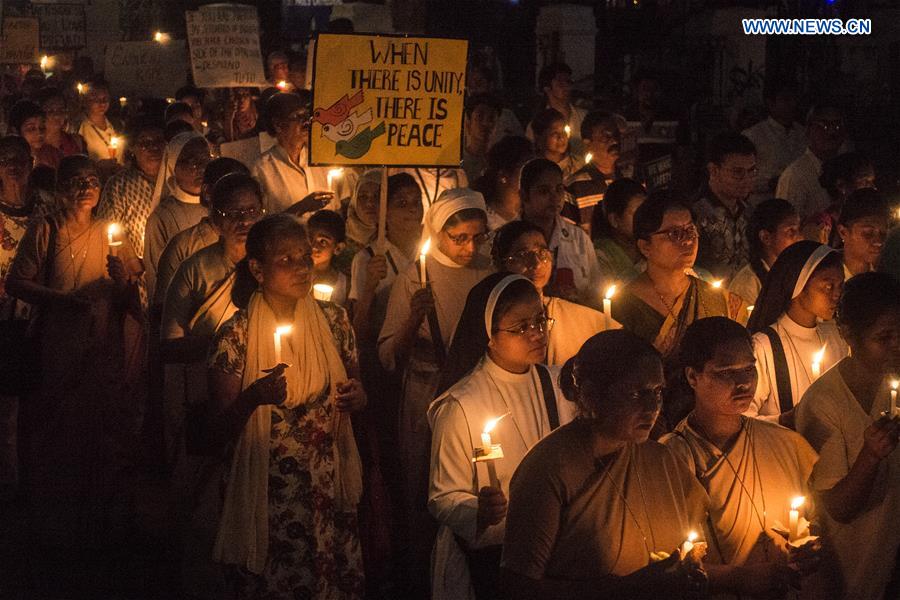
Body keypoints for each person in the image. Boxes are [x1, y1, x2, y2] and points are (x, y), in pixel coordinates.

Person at [207, 213, 366, 599]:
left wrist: (358, 398)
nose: (302, 269)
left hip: (327, 485)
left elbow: (356, 388)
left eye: (305, 257)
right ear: (258, 270)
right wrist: (254, 397)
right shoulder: (236, 336)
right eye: (286, 260)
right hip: (269, 493)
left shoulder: (335, 321)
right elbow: (220, 429)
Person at [5, 155, 145, 591]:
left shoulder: (110, 232)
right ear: (61, 187)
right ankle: (56, 531)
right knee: (59, 436)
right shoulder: (47, 227)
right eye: (77, 181)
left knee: (100, 435)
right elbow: (16, 282)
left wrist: (125, 278)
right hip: (59, 345)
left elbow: (127, 293)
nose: (87, 188)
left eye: (92, 181)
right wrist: (62, 300)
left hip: (101, 345)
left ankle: (99, 528)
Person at [500, 330, 709, 599]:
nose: (652, 407)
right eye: (636, 394)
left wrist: (697, 574)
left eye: (657, 392)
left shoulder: (662, 460)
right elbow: (517, 588)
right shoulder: (548, 469)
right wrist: (630, 589)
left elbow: (690, 551)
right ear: (592, 395)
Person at [377, 187, 494, 597]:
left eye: (477, 237)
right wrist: (413, 318)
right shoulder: (414, 278)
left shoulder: (489, 271)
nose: (468, 247)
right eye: (458, 237)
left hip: (478, 399)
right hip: (426, 398)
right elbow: (389, 356)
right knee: (425, 495)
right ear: (437, 233)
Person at [428, 273, 575, 600]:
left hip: (550, 556)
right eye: (521, 327)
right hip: (488, 563)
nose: (537, 334)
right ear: (489, 335)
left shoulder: (558, 386)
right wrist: (479, 511)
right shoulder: (461, 404)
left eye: (540, 320)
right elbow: (443, 495)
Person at [662, 317, 827, 599]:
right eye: (726, 373)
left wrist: (808, 546)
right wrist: (738, 578)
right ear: (692, 377)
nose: (743, 383)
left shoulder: (785, 444)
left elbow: (814, 521)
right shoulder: (670, 458)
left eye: (750, 369)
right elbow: (666, 562)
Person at [160, 172, 265, 599]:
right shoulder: (196, 269)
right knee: (204, 509)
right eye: (232, 214)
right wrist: (224, 344)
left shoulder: (269, 268)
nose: (243, 221)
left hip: (261, 402)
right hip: (206, 402)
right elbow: (168, 348)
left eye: (252, 212)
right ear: (215, 219)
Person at [795, 272, 900, 599]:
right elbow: (836, 507)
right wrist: (870, 456)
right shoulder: (823, 403)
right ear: (849, 335)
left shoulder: (892, 384)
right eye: (884, 337)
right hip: (852, 571)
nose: (897, 346)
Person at [614, 192, 748, 362]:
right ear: (645, 246)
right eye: (674, 234)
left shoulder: (717, 299)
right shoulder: (623, 306)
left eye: (690, 230)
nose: (687, 241)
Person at [0, 136, 55, 492]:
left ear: (32, 162)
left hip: (42, 316)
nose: (15, 165)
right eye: (6, 159)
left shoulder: (47, 209)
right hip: (3, 320)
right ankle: (10, 479)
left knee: (39, 401)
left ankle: (39, 474)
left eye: (21, 158)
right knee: (7, 407)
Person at [746, 241, 847, 426]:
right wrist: (784, 420)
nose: (837, 295)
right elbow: (743, 419)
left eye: (840, 286)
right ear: (798, 286)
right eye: (828, 286)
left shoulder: (836, 338)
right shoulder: (763, 346)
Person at [492, 220, 612, 366]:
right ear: (502, 263)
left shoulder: (571, 315)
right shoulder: (495, 318)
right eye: (523, 254)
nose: (536, 264)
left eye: (542, 253)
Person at [153, 157, 251, 309]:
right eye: (230, 188)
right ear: (207, 192)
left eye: (245, 189)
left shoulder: (261, 241)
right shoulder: (183, 246)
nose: (239, 198)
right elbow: (163, 311)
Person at [349, 172, 422, 344]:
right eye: (402, 203)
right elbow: (358, 331)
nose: (412, 209)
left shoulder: (432, 252)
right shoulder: (368, 258)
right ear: (384, 210)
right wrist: (369, 287)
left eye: (417, 202)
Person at [519, 158, 601, 306]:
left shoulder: (579, 238)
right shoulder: (509, 239)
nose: (554, 197)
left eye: (559, 189)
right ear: (524, 195)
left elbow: (596, 290)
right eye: (544, 191)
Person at [251, 92, 343, 218]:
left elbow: (336, 209)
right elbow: (263, 225)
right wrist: (303, 207)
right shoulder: (262, 169)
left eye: (306, 115)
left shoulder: (320, 160)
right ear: (278, 124)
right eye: (297, 116)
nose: (306, 121)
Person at [143, 131, 212, 300]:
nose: (199, 168)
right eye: (189, 161)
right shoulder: (162, 218)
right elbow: (159, 279)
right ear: (173, 166)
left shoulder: (218, 206)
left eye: (204, 160)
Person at [96, 115, 165, 261]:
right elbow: (105, 231)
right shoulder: (119, 186)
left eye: (158, 141)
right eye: (145, 143)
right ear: (132, 147)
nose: (153, 148)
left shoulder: (178, 181)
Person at [694, 132, 757, 281]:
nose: (747, 179)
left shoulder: (749, 212)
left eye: (751, 171)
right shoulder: (696, 214)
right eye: (738, 172)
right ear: (714, 170)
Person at [776, 105, 847, 221]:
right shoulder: (795, 175)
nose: (832, 132)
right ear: (808, 130)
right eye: (823, 126)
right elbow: (785, 226)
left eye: (837, 126)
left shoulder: (847, 169)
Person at [741, 81, 807, 205]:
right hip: (763, 206)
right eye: (786, 100)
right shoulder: (753, 135)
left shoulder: (803, 134)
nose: (792, 104)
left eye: (794, 99)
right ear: (770, 103)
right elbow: (743, 177)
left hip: (796, 204)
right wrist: (771, 182)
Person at [728, 198, 802, 306]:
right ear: (766, 237)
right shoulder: (747, 285)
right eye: (790, 231)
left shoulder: (794, 275)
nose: (799, 238)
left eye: (798, 230)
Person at [803, 151, 875, 244]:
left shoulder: (871, 222)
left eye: (872, 181)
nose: (872, 187)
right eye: (865, 181)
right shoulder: (821, 226)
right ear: (841, 186)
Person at [590, 178, 647, 287]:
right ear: (615, 220)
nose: (644, 219)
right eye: (637, 214)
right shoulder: (599, 258)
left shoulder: (651, 247)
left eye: (646, 211)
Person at [565, 111, 622, 217]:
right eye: (606, 136)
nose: (614, 141)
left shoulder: (632, 177)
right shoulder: (574, 186)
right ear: (588, 143)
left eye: (616, 135)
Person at [472, 135, 534, 231]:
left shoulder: (534, 214)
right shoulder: (480, 218)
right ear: (503, 176)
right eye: (526, 168)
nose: (533, 173)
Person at [526, 62, 588, 156]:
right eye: (560, 81)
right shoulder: (537, 124)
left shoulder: (584, 117)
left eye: (568, 81)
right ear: (547, 88)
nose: (566, 86)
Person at [835, 187, 890, 279]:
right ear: (843, 232)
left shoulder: (885, 279)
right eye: (868, 233)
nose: (879, 241)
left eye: (883, 233)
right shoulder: (824, 279)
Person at [308, 209, 350, 306]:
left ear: (338, 248)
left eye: (323, 242)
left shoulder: (345, 285)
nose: (313, 246)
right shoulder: (295, 276)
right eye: (309, 238)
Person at [76, 79, 122, 166]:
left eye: (105, 98)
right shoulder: (79, 126)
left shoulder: (117, 125)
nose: (102, 103)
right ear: (85, 101)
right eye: (96, 99)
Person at [7, 100, 61, 169]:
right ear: (15, 131)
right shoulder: (6, 160)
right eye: (31, 129)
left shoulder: (54, 155)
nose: (39, 133)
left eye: (42, 127)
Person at [530, 108, 581, 181]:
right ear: (539, 137)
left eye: (564, 132)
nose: (561, 137)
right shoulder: (530, 169)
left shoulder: (579, 166)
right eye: (555, 133)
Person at [462, 94, 501, 183]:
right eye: (480, 117)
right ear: (468, 123)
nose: (486, 123)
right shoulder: (459, 163)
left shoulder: (499, 163)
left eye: (491, 118)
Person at [35, 88, 84, 158]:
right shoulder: (34, 144)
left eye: (61, 110)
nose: (57, 115)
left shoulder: (75, 142)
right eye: (50, 110)